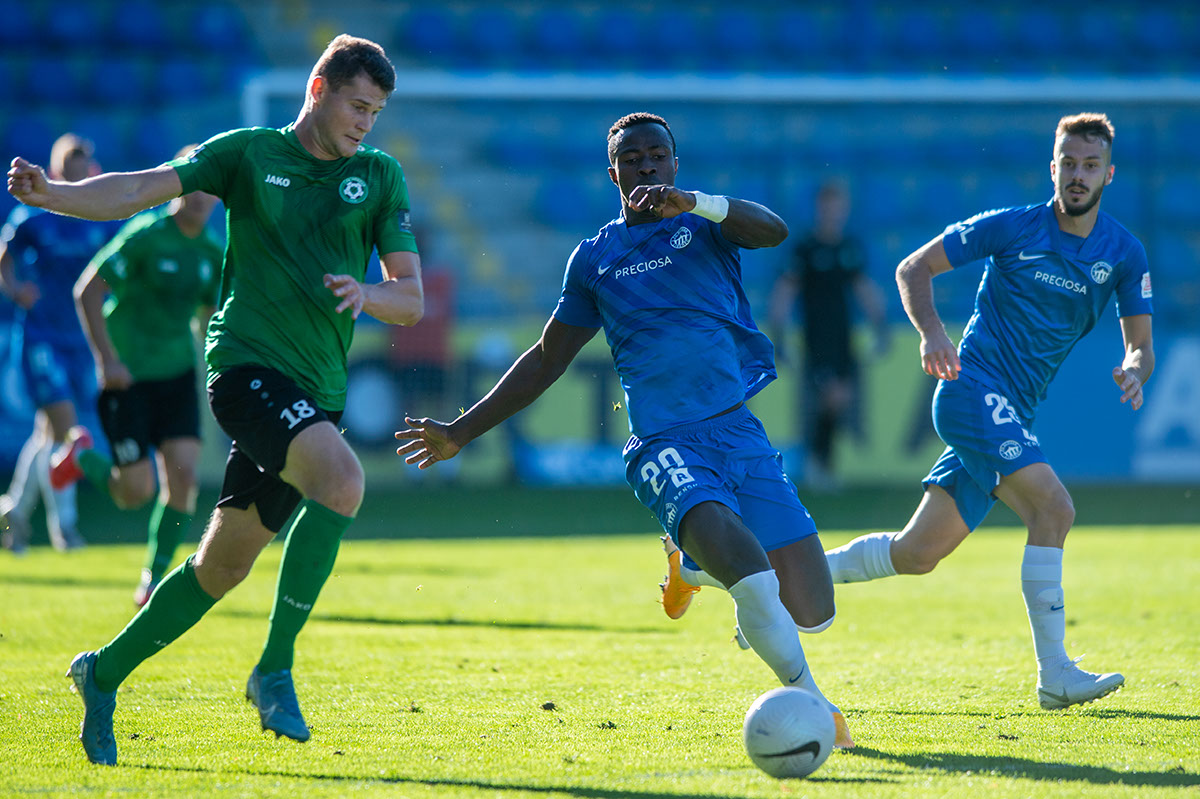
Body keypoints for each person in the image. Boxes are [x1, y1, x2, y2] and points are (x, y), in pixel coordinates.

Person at [7, 34, 423, 765]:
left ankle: (101, 673)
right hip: (244, 369)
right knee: (342, 480)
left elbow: (410, 299)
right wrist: (55, 196)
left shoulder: (379, 176)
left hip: (318, 390)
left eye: (376, 112)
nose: (366, 123)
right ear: (319, 89)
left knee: (221, 567)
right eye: (357, 105)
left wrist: (368, 294)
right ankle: (275, 669)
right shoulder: (247, 154)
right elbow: (138, 189)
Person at [397, 112, 852, 749]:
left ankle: (691, 566)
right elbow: (547, 358)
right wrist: (462, 432)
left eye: (657, 155)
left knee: (812, 608)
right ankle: (817, 709)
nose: (646, 165)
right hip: (665, 443)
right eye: (632, 158)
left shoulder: (707, 224)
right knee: (752, 576)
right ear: (613, 173)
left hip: (738, 433)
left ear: (674, 163)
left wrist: (696, 202)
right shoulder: (594, 259)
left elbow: (773, 231)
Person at [824, 113, 1153, 710]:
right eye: (1069, 164)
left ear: (1109, 173)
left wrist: (1134, 368)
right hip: (971, 390)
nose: (1078, 175)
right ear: (1052, 168)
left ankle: (772, 581)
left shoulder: (1125, 254)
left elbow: (1141, 345)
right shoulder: (1012, 227)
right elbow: (913, 267)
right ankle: (1055, 673)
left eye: (1090, 165)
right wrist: (932, 333)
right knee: (1054, 508)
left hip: (1013, 411)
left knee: (916, 553)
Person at [63, 148, 223, 607]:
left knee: (185, 479)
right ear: (177, 185)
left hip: (176, 376)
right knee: (134, 493)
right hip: (127, 378)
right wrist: (107, 360)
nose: (201, 195)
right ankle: (80, 458)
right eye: (193, 183)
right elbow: (88, 291)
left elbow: (208, 318)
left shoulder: (213, 252)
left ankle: (153, 578)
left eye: (210, 187)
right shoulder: (145, 236)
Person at [0, 133, 119, 553]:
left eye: (82, 165)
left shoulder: (97, 218)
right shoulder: (34, 217)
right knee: (69, 430)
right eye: (69, 165)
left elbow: (112, 270)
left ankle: (13, 512)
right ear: (55, 170)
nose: (76, 172)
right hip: (41, 337)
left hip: (78, 339)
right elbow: (5, 256)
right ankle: (65, 528)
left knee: (49, 433)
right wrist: (15, 290)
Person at [769, 179, 889, 490]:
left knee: (839, 399)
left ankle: (820, 463)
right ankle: (818, 465)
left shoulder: (849, 247)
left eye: (838, 207)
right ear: (818, 208)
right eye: (827, 206)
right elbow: (785, 290)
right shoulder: (806, 248)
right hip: (817, 337)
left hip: (843, 335)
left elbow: (864, 288)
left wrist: (881, 324)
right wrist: (779, 333)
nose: (833, 213)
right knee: (831, 396)